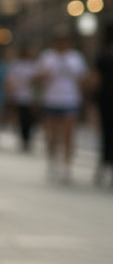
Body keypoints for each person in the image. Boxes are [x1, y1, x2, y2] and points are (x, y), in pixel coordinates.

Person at [35, 27, 90, 183]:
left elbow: (84, 79)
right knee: (52, 134)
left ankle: (67, 165)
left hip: (70, 100)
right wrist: (44, 75)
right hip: (51, 100)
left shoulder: (75, 58)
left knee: (68, 134)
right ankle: (52, 160)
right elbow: (37, 78)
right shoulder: (47, 56)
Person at [4, 43, 38, 153]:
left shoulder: (34, 65)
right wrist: (11, 92)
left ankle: (29, 137)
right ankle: (24, 139)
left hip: (32, 97)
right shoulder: (17, 65)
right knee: (23, 119)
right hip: (20, 96)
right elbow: (10, 79)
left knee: (31, 119)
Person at [94, 24, 113, 185]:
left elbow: (96, 79)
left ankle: (106, 163)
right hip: (106, 99)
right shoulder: (103, 56)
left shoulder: (102, 55)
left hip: (105, 99)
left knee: (106, 133)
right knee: (107, 132)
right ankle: (107, 164)